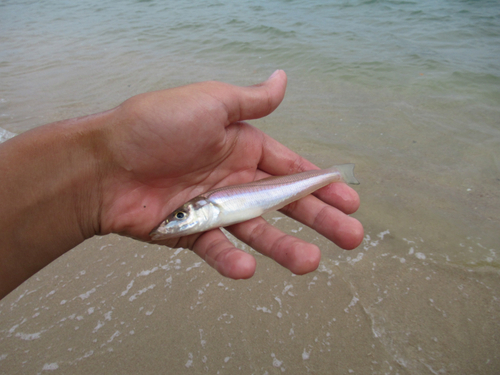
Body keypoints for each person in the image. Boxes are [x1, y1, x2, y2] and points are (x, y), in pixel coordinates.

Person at [0, 70, 363, 299]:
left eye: (178, 217)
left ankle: (334, 173)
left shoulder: (207, 204)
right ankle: (335, 173)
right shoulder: (198, 206)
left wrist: (101, 168)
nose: (172, 223)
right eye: (176, 217)